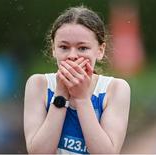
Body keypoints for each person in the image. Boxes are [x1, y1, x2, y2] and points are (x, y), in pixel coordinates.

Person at [24, 5, 130, 154]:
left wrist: (81, 98)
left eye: (82, 48)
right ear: (54, 49)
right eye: (64, 47)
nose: (72, 55)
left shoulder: (116, 88)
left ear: (100, 50)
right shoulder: (39, 84)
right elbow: (39, 152)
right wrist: (61, 94)